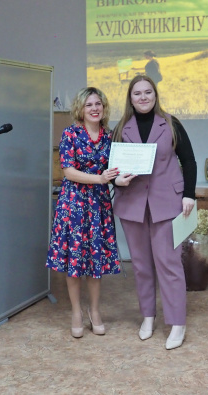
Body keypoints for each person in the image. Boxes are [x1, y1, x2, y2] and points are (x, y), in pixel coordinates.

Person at [112, 75, 196, 350]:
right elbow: (112, 167)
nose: (143, 97)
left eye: (148, 92)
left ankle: (177, 323)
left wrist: (189, 194)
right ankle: (148, 317)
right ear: (130, 98)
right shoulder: (121, 128)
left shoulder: (171, 124)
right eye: (137, 93)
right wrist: (116, 181)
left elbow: (189, 160)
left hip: (167, 203)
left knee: (169, 264)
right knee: (140, 265)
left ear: (155, 95)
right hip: (132, 204)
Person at [46, 87, 121, 338]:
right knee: (75, 261)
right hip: (74, 205)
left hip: (99, 205)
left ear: (104, 107)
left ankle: (95, 310)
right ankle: (76, 311)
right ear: (80, 108)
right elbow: (68, 172)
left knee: (95, 260)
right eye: (89, 105)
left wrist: (119, 178)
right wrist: (100, 179)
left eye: (98, 104)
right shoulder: (70, 133)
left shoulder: (110, 136)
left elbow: (114, 171)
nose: (94, 108)